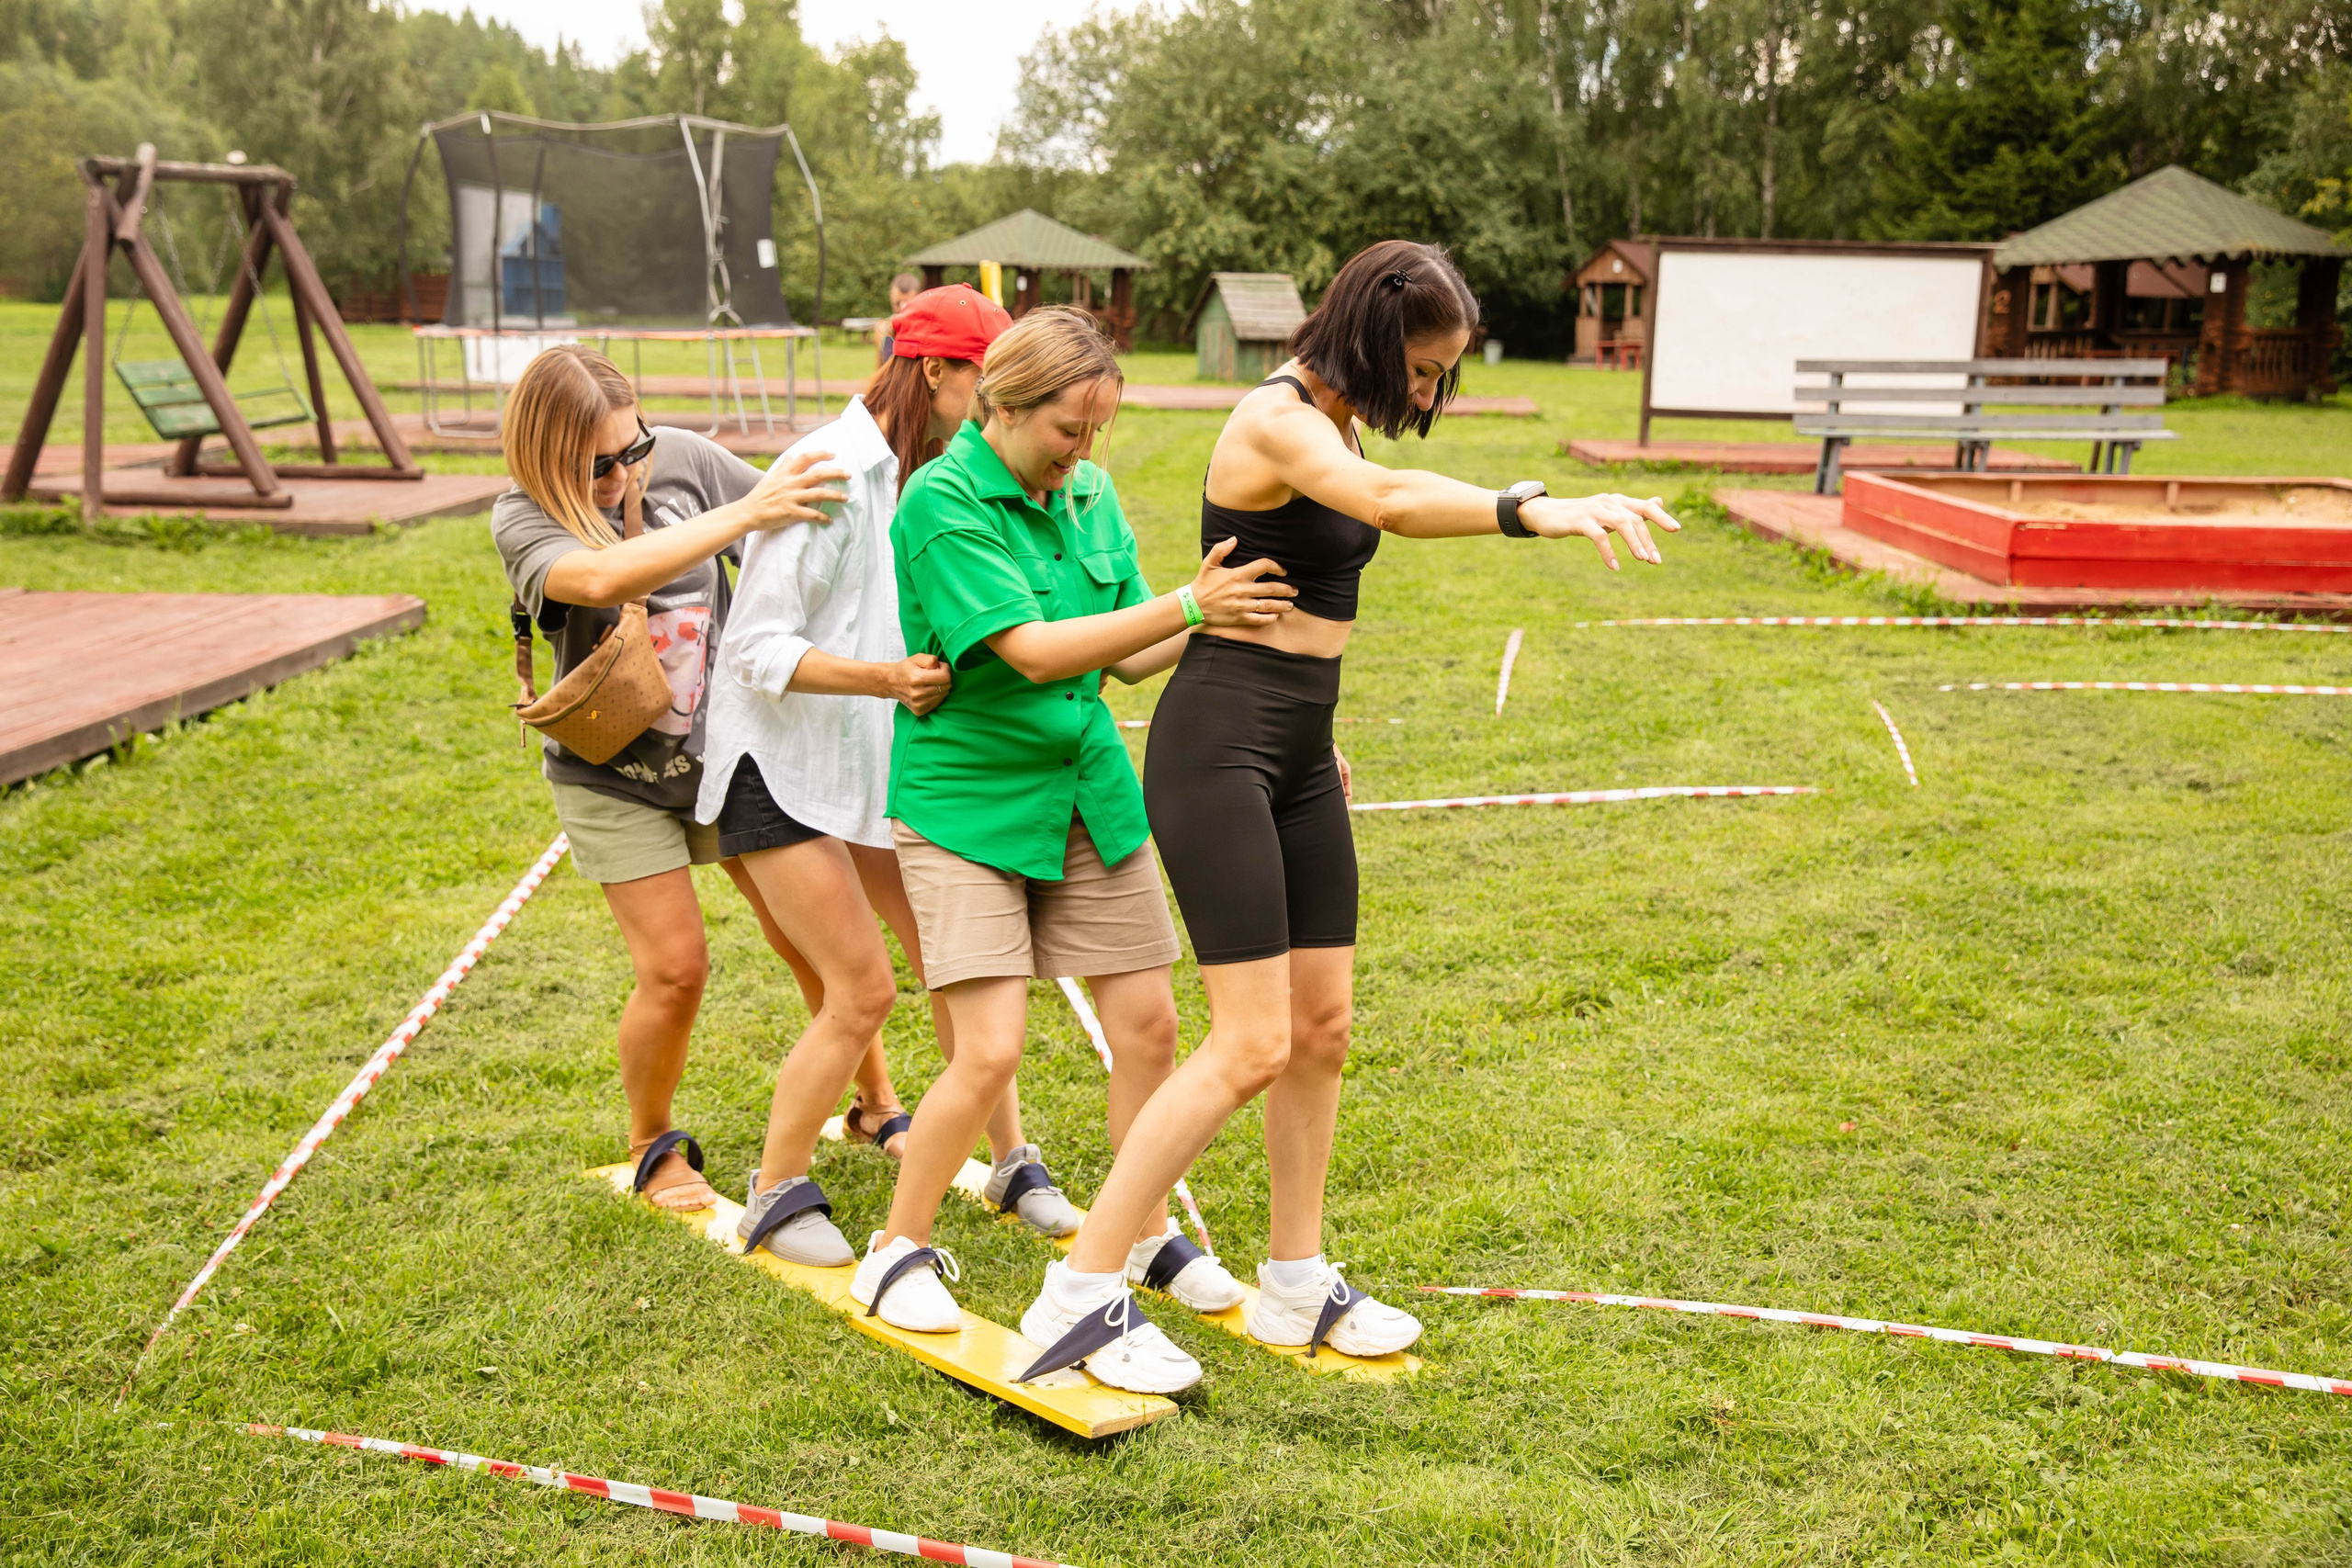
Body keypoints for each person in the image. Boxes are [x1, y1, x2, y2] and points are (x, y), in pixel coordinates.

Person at [1019, 241, 1680, 1392]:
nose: (1426, 395)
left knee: (1321, 1028)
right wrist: (1534, 508)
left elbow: (1368, 512)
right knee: (1249, 1042)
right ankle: (1077, 1293)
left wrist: (1313, 740)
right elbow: (1387, 503)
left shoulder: (1341, 416)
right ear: (1374, 340)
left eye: (1441, 377)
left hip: (1298, 752)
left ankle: (1294, 1279)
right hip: (1217, 743)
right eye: (1421, 371)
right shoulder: (1277, 422)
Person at [846, 307, 1283, 1382]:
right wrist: (1187, 600)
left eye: (1096, 432)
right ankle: (893, 1252)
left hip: (1089, 790)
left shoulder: (1089, 494)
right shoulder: (939, 504)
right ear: (999, 402)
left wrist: (1232, 631)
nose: (1083, 456)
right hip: (969, 806)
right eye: (1066, 431)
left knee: (1149, 1028)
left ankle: (1134, 1235)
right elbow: (1036, 653)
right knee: (988, 1050)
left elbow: (1132, 656)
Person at [697, 286, 1088, 1262]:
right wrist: (886, 678)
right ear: (934, 372)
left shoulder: (950, 481)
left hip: (874, 766)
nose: (1003, 412)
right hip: (776, 767)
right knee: (863, 988)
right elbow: (754, 650)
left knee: (962, 963)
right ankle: (776, 1188)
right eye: (988, 388)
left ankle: (1011, 1159)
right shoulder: (826, 471)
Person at [492, 344, 870, 1213]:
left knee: (808, 932)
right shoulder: (521, 519)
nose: (624, 473)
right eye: (597, 465)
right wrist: (746, 514)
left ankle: (874, 1104)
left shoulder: (686, 460)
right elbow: (601, 575)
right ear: (546, 459)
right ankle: (652, 1142)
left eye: (634, 448)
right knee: (676, 968)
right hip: (614, 776)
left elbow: (803, 512)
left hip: (731, 750)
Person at [876, 272, 922, 364]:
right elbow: (879, 368)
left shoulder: (925, 328)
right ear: (891, 296)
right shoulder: (881, 329)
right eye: (897, 303)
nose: (902, 308)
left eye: (907, 303)